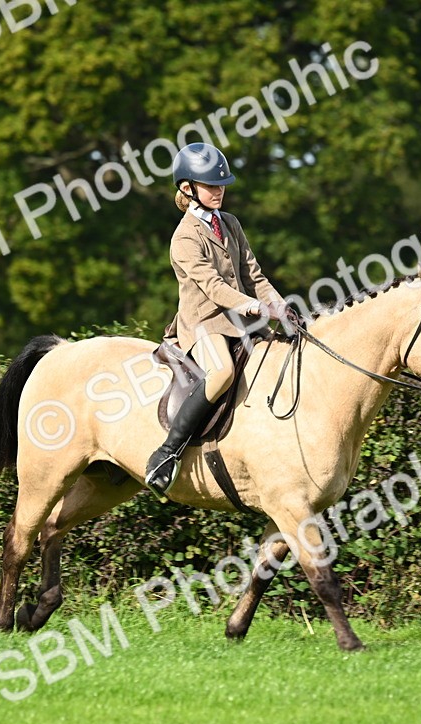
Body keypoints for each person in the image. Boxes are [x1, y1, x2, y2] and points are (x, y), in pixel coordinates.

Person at [145, 142, 287, 495]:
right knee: (223, 371)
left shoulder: (231, 223)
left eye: (221, 184)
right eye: (211, 185)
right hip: (204, 322)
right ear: (187, 188)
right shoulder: (184, 237)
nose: (219, 191)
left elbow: (253, 273)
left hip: (242, 319)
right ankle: (167, 453)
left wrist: (279, 304)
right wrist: (253, 307)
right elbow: (213, 287)